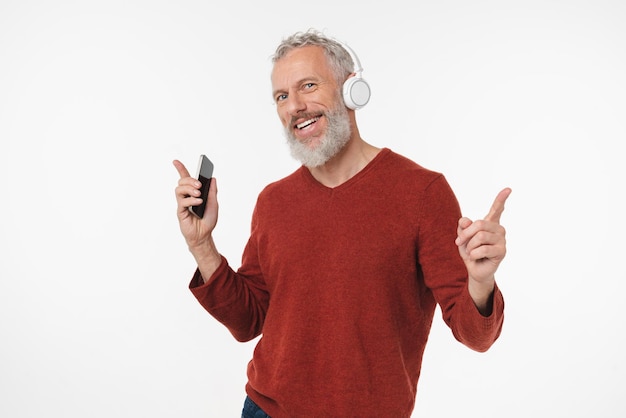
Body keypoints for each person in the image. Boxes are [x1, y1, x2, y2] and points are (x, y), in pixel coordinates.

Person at [173, 29, 511, 418]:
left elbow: (475, 335)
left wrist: (481, 282)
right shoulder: (273, 201)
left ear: (352, 89)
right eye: (281, 97)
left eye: (308, 86)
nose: (294, 106)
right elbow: (249, 320)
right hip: (266, 410)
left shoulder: (422, 192)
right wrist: (202, 246)